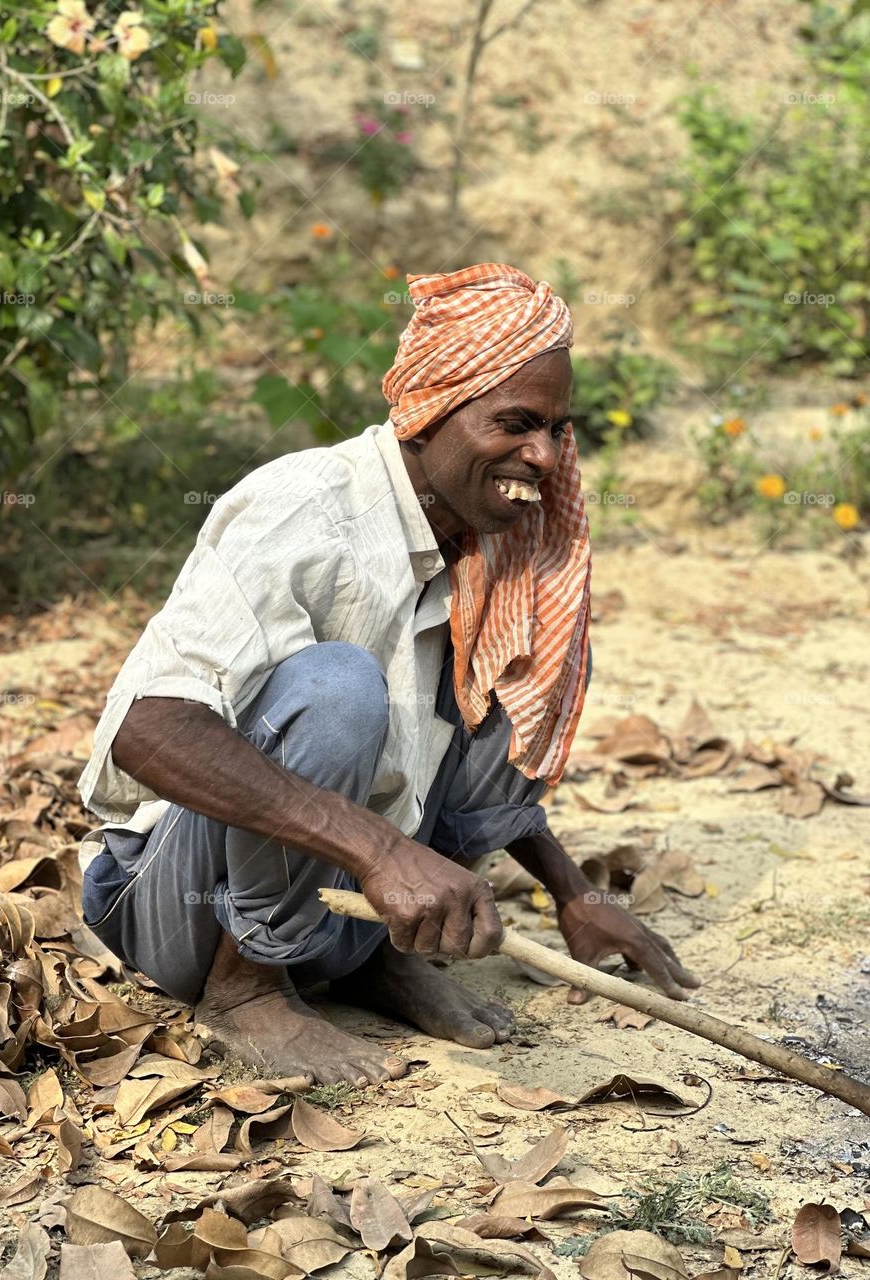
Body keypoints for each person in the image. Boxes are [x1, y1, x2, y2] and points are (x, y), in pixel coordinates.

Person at [76, 263, 699, 1087]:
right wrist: (380, 852)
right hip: (177, 905)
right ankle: (247, 987)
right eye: (515, 423)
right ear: (431, 409)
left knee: (519, 670)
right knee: (336, 687)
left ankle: (375, 955)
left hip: (347, 901)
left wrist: (571, 891)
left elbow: (469, 736)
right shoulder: (307, 508)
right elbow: (147, 728)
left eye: (556, 429)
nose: (544, 455)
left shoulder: (490, 537)